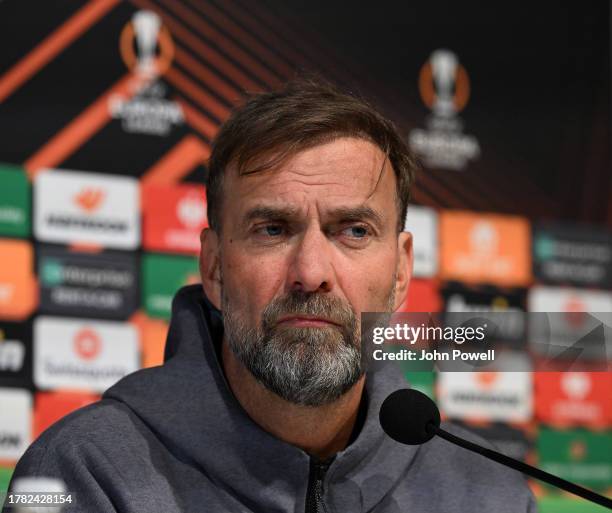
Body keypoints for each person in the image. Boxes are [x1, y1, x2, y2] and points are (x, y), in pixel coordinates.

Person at [4, 79, 536, 512]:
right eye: (273, 229)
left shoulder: (490, 493)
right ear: (213, 267)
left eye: (353, 230)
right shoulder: (86, 472)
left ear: (400, 272)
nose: (311, 273)